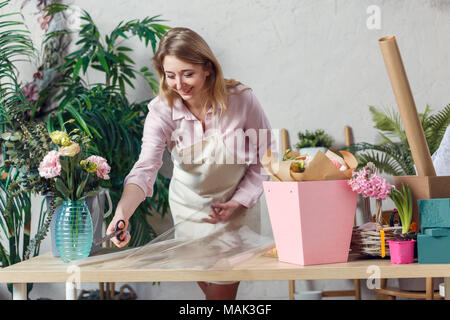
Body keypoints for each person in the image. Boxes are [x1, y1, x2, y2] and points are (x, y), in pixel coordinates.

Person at [106, 27, 275, 300]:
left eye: (187, 74)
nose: (179, 84)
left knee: (221, 291)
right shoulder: (161, 111)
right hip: (188, 211)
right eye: (170, 75)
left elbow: (266, 159)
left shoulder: (241, 100)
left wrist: (240, 201)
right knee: (215, 294)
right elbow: (145, 168)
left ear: (208, 68)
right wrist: (121, 213)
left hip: (235, 210)